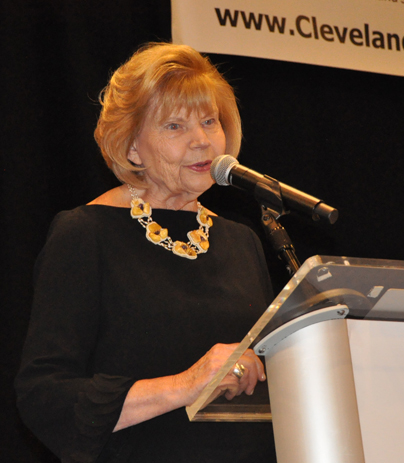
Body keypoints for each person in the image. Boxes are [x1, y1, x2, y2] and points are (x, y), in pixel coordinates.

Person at [15, 42, 276, 463]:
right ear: (133, 146)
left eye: (210, 122)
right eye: (174, 126)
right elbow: (45, 397)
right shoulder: (85, 234)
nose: (201, 142)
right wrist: (189, 383)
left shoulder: (241, 240)